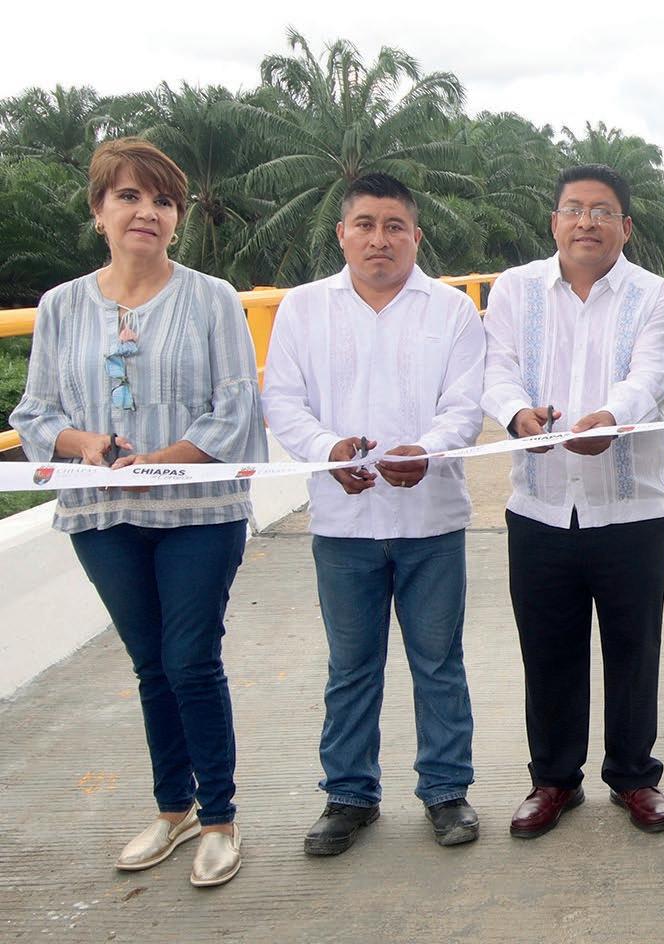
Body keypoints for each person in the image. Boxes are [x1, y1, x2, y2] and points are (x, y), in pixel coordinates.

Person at [8, 137, 267, 886]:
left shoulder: (212, 297)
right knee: (151, 663)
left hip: (199, 511)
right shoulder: (61, 306)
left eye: (163, 201)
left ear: (177, 219)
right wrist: (85, 444)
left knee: (191, 659)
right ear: (99, 211)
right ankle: (172, 808)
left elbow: (235, 409)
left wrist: (162, 463)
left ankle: (219, 818)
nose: (146, 212)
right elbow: (35, 413)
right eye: (128, 196)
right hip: (102, 515)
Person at [261, 173, 486, 855]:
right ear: (342, 234)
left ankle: (446, 791)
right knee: (351, 666)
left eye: (394, 226)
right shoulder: (303, 309)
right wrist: (326, 450)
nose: (379, 238)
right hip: (343, 525)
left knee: (438, 662)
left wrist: (430, 449)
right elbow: (283, 402)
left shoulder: (452, 310)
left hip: (431, 523)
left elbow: (465, 406)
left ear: (416, 235)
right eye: (365, 224)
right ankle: (349, 796)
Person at [481, 164, 664, 840]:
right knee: (547, 651)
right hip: (539, 506)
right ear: (554, 222)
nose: (586, 222)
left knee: (634, 649)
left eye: (601, 211)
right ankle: (554, 780)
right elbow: (497, 368)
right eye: (573, 209)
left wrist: (611, 418)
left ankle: (633, 776)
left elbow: (652, 375)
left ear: (625, 226)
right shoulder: (515, 289)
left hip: (630, 507)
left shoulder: (655, 295)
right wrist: (517, 415)